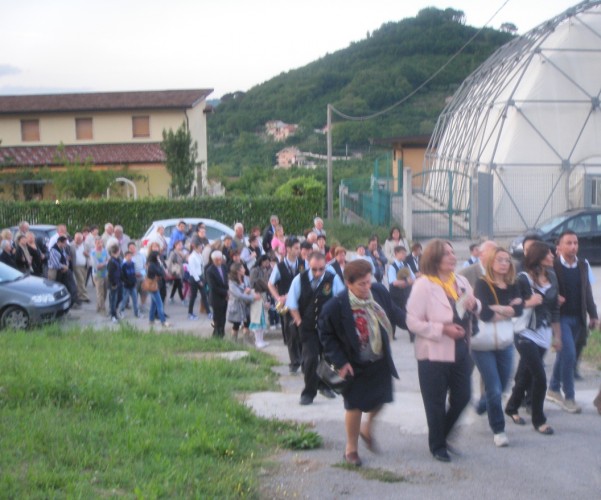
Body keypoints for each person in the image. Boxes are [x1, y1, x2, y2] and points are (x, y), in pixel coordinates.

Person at [319, 259, 405, 467]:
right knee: (354, 406)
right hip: (353, 364)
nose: (367, 287)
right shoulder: (335, 306)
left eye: (369, 282)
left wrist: (419, 325)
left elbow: (395, 313)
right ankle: (351, 449)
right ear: (349, 283)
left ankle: (368, 428)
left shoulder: (378, 293)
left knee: (383, 399)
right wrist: (340, 362)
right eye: (362, 284)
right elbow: (326, 336)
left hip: (378, 359)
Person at [406, 239, 479, 463]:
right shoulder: (424, 285)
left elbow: (476, 305)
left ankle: (441, 434)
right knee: (435, 402)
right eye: (447, 254)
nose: (453, 256)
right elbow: (412, 322)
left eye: (452, 253)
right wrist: (443, 330)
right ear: (435, 259)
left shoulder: (462, 281)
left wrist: (474, 306)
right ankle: (437, 445)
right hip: (433, 354)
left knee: (463, 396)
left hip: (460, 350)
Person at [505, 241, 562, 434]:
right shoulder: (522, 279)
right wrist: (529, 302)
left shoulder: (552, 276)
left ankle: (512, 407)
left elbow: (554, 308)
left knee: (526, 374)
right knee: (539, 376)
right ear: (538, 257)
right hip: (524, 333)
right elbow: (512, 307)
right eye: (548, 254)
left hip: (544, 333)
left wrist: (557, 335)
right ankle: (539, 420)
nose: (553, 256)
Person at [472, 248, 523, 447]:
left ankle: (482, 404)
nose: (504, 263)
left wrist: (497, 308)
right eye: (500, 260)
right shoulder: (482, 283)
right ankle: (499, 430)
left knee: (502, 387)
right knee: (493, 388)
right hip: (482, 345)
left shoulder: (513, 283)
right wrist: (506, 308)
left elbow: (518, 310)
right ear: (491, 262)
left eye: (507, 260)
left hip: (505, 342)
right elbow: (483, 313)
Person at [547, 230, 599, 413]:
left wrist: (593, 315)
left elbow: (588, 292)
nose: (573, 246)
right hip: (560, 318)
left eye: (575, 243)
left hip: (579, 318)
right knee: (568, 354)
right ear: (559, 247)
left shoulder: (583, 265)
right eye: (568, 243)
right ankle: (569, 397)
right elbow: (544, 292)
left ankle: (553, 387)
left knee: (566, 355)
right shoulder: (552, 266)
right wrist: (554, 299)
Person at [286, 251, 346, 405]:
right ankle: (308, 392)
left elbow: (341, 300)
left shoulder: (333, 279)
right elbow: (291, 304)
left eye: (321, 269)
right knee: (311, 359)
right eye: (314, 269)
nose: (318, 272)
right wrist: (299, 321)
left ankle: (325, 386)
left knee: (327, 358)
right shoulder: (299, 280)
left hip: (327, 328)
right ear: (308, 265)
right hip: (308, 327)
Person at [268, 237, 303, 373]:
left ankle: (303, 360)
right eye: (296, 248)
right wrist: (278, 297)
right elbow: (270, 284)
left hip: (301, 304)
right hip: (287, 305)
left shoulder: (303, 263)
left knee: (302, 332)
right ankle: (294, 361)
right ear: (287, 249)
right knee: (291, 333)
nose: (298, 251)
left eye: (298, 248)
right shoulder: (280, 266)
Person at [227, 262, 261, 343]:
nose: (244, 269)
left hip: (246, 304)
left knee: (247, 323)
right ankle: (233, 342)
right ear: (238, 270)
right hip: (237, 305)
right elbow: (238, 295)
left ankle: (246, 341)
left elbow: (249, 287)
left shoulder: (245, 278)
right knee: (236, 324)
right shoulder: (231, 282)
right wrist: (252, 297)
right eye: (242, 268)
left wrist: (249, 290)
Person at [387, 245, 415, 340]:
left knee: (409, 313)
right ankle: (392, 334)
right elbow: (393, 282)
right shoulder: (392, 267)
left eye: (405, 253)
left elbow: (413, 278)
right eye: (402, 253)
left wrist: (407, 282)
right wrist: (406, 282)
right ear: (396, 254)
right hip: (396, 295)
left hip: (406, 294)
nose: (404, 255)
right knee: (393, 313)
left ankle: (412, 335)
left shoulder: (407, 265)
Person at [206, 251, 229, 337]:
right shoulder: (210, 271)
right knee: (217, 318)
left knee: (223, 317)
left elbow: (226, 280)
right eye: (217, 260)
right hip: (216, 298)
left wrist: (227, 292)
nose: (220, 261)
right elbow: (213, 287)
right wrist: (225, 292)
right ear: (214, 260)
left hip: (224, 297)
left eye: (220, 259)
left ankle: (222, 333)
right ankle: (217, 334)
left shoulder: (223, 267)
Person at [146, 250, 170, 327]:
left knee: (154, 304)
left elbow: (162, 272)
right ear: (155, 257)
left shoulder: (156, 264)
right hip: (152, 286)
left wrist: (161, 266)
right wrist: (162, 268)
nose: (159, 257)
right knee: (159, 304)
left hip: (156, 285)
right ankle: (163, 321)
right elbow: (161, 273)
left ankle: (151, 320)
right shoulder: (152, 265)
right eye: (158, 256)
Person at [119, 250, 140, 318]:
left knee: (135, 299)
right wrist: (126, 282)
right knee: (124, 300)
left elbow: (134, 274)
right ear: (125, 257)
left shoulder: (133, 264)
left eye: (130, 256)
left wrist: (134, 281)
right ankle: (121, 311)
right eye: (128, 256)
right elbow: (122, 276)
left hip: (133, 285)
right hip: (126, 286)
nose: (129, 257)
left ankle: (136, 313)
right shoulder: (123, 266)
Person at [70, 232, 90, 302]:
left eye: (79, 239)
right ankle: (85, 296)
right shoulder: (71, 245)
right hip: (76, 265)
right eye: (76, 239)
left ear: (82, 239)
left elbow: (91, 254)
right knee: (80, 280)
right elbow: (69, 255)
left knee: (83, 281)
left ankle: (79, 295)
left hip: (85, 265)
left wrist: (87, 254)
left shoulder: (86, 245)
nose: (78, 240)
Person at [91, 237, 108, 315]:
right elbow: (96, 266)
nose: (100, 245)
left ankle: (99, 306)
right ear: (95, 244)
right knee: (100, 292)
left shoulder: (105, 251)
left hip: (105, 274)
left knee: (105, 292)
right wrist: (105, 263)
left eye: (101, 243)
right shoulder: (93, 253)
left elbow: (109, 260)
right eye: (98, 243)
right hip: (97, 275)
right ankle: (102, 309)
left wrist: (103, 263)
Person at [167, 240, 186, 304]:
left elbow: (184, 260)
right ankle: (182, 299)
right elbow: (169, 262)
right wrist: (169, 271)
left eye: (181, 245)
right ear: (175, 246)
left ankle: (171, 297)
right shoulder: (173, 253)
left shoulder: (181, 252)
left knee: (176, 285)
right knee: (179, 285)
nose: (181, 246)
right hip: (176, 271)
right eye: (179, 245)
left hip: (180, 270)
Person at [107, 244, 122, 323]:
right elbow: (110, 274)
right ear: (117, 251)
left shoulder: (118, 259)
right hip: (114, 284)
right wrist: (113, 284)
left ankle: (114, 311)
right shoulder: (111, 261)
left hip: (119, 282)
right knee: (113, 299)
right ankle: (113, 315)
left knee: (120, 297)